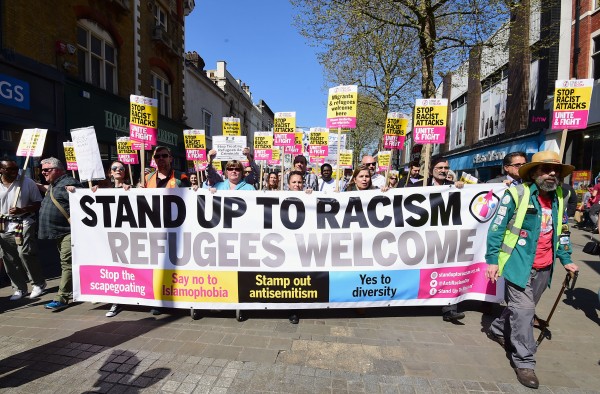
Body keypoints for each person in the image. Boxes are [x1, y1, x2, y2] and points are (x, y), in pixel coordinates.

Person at [485, 150, 578, 389]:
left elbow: (563, 230)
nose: (551, 174)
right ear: (534, 172)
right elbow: (496, 229)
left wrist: (566, 259)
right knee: (525, 313)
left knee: (521, 311)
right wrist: (492, 260)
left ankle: (496, 327)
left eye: (555, 170)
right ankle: (525, 362)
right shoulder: (515, 194)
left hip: (544, 268)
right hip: (518, 265)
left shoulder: (559, 195)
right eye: (546, 170)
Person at [405, 157, 465, 321]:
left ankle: (450, 308)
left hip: (444, 237)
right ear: (431, 170)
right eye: (440, 167)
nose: (443, 170)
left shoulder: (453, 187)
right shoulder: (419, 186)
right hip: (419, 236)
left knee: (448, 268)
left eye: (446, 167)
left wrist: (461, 188)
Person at [38, 158, 80, 311]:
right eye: (42, 169)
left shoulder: (69, 184)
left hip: (68, 232)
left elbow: (85, 202)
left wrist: (77, 191)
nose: (43, 172)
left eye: (46, 170)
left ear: (58, 170)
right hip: (59, 232)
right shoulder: (55, 184)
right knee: (68, 263)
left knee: (67, 263)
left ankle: (62, 297)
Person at [0, 159, 46, 300]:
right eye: (10, 169)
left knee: (25, 253)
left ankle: (38, 283)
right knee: (9, 258)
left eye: (16, 168)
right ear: (1, 170)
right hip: (4, 224)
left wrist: (22, 209)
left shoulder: (26, 182)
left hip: (24, 221)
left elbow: (38, 203)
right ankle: (19, 288)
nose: (15, 172)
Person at [100, 161, 132, 318]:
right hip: (109, 236)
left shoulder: (131, 188)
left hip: (128, 236)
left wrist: (132, 190)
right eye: (115, 168)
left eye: (121, 168)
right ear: (109, 173)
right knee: (113, 267)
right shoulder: (102, 190)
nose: (118, 170)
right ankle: (116, 300)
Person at [286, 170, 313, 324]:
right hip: (286, 244)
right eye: (294, 182)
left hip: (302, 243)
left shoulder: (308, 196)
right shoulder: (279, 197)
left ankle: (295, 309)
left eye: (299, 182)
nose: (297, 185)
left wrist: (311, 196)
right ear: (288, 184)